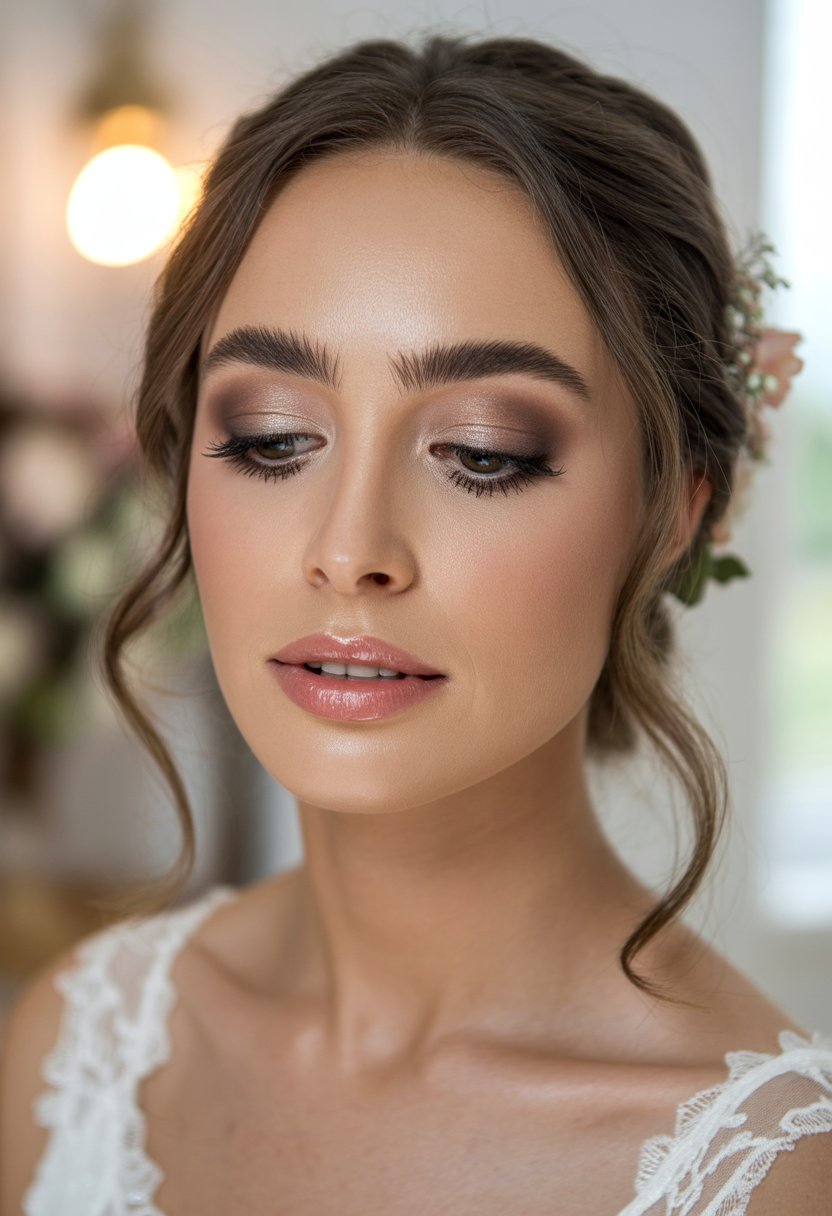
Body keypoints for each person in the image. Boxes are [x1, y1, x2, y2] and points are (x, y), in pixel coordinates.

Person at [1, 31, 829, 1216]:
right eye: (274, 438)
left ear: (671, 515)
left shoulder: (775, 1177)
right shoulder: (77, 1056)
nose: (348, 549)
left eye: (481, 454)